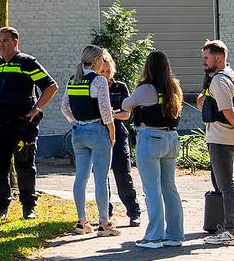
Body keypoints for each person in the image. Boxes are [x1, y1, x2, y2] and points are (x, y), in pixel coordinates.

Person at [0, 26, 58, 220]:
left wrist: (37, 108)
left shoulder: (27, 63)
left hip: (22, 126)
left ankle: (28, 207)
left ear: (15, 42)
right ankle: (1, 207)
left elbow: (50, 86)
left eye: (5, 41)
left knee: (25, 165)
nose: (1, 44)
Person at [120, 50, 185, 249]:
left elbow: (126, 104)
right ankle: (175, 235)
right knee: (169, 188)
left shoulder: (146, 88)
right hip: (172, 138)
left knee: (152, 189)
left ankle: (154, 236)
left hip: (151, 139)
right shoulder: (173, 87)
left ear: (148, 67)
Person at [197, 40, 234, 246]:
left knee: (226, 186)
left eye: (206, 57)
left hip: (220, 138)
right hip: (233, 138)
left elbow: (228, 111)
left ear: (218, 57)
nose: (203, 61)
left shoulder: (219, 81)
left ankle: (230, 231)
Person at [59, 45, 119, 237]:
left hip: (78, 132)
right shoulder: (99, 80)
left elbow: (64, 107)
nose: (104, 63)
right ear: (95, 61)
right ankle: (104, 223)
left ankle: (82, 221)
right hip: (97, 131)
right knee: (101, 178)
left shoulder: (73, 79)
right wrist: (112, 131)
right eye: (102, 59)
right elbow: (105, 109)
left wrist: (76, 121)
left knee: (81, 177)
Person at [105, 70, 141, 226]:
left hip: (119, 135)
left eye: (108, 70)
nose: (106, 74)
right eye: (102, 71)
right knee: (102, 177)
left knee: (123, 175)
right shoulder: (95, 86)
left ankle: (133, 212)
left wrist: (109, 115)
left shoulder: (120, 87)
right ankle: (105, 213)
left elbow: (126, 114)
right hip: (101, 135)